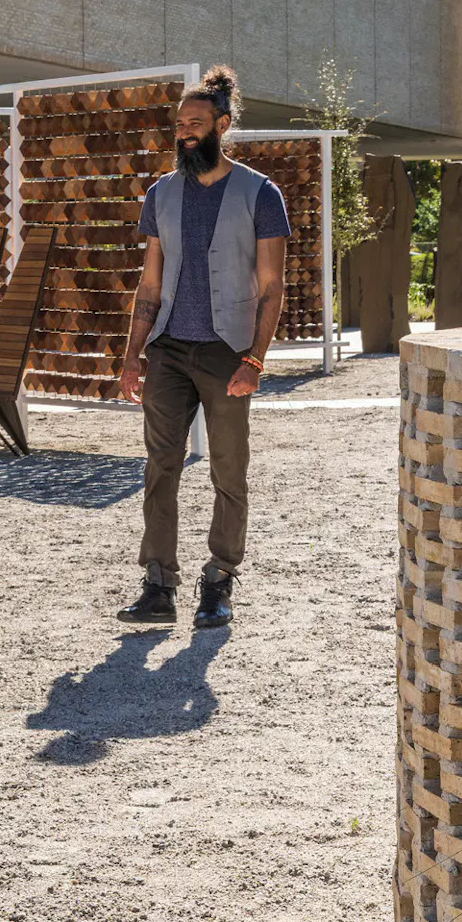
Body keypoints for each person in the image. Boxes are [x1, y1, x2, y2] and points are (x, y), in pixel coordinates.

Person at [115, 64, 283, 630]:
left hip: (227, 350)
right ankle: (158, 584)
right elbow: (150, 284)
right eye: (180, 125)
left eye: (195, 124)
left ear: (222, 125)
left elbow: (272, 286)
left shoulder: (260, 193)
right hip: (167, 348)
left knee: (228, 470)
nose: (185, 133)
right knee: (160, 467)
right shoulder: (161, 193)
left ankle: (219, 579)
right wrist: (132, 354)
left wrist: (254, 359)